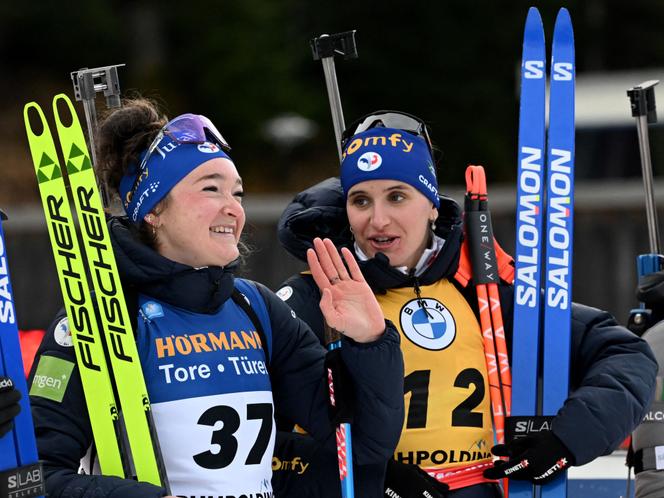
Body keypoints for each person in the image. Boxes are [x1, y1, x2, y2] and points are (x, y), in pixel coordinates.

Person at [27, 99, 405, 498]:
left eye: (237, 193)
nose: (233, 208)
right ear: (154, 209)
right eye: (211, 189)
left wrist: (371, 343)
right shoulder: (100, 321)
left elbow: (361, 447)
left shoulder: (256, 308)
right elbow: (35, 478)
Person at [274, 110, 658, 498]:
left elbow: (626, 356)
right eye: (361, 200)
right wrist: (375, 475)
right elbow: (257, 430)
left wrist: (565, 440)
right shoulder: (314, 297)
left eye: (397, 196)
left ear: (432, 205)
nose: (378, 220)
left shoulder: (486, 290)